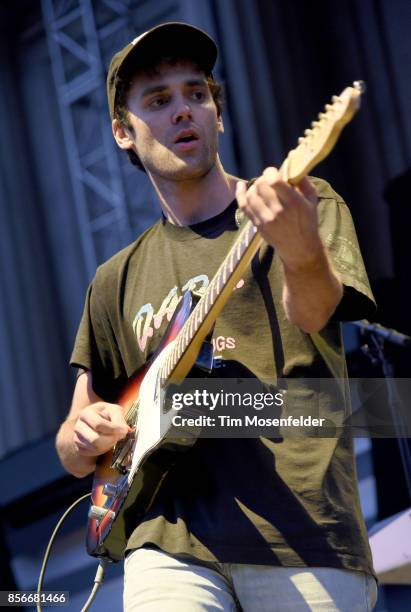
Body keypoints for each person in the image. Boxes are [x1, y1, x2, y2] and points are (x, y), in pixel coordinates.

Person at [55, 22, 378, 611]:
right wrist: (84, 435)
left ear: (218, 116)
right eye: (159, 100)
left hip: (303, 537)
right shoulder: (113, 280)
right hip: (167, 542)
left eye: (196, 94)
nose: (184, 110)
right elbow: (75, 443)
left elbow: (317, 311)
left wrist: (301, 251)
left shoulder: (305, 201)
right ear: (123, 132)